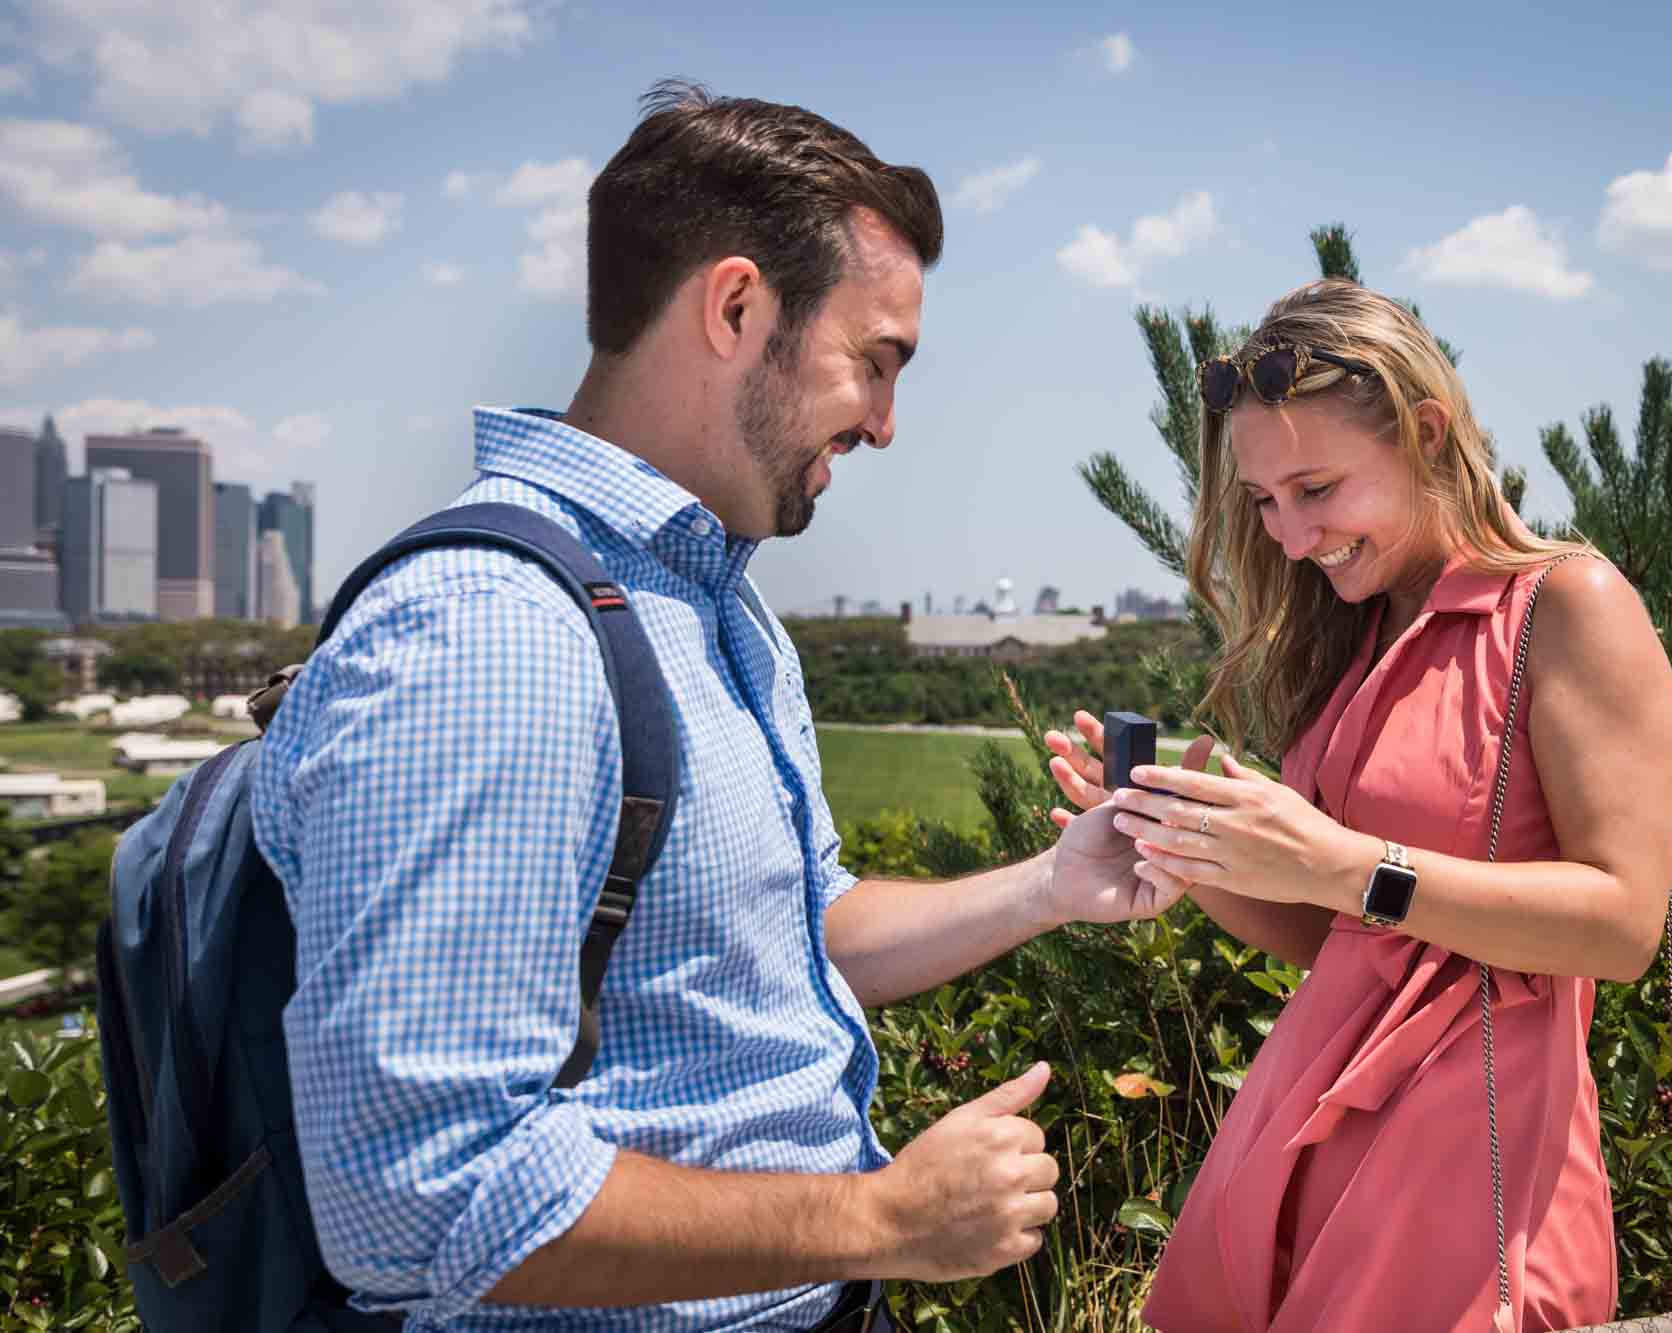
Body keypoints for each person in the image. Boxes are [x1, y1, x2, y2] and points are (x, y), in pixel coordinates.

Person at [252, 81, 1182, 1332]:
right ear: (738, 306)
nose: (889, 425)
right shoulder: (495, 632)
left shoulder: (711, 610)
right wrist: (886, 1222)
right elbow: (420, 1197)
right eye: (875, 360)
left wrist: (1048, 887)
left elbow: (792, 929)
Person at [1043, 280, 1672, 1332]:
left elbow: (1620, 925)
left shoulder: (1566, 604)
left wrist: (1344, 860)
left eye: (1316, 487)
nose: (1289, 536)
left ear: (1426, 433)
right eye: (1261, 501)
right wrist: (1196, 848)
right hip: (1301, 1152)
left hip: (1468, 1190)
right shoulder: (1370, 624)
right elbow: (1341, 937)